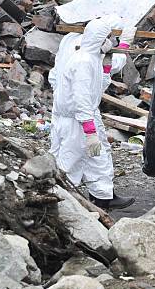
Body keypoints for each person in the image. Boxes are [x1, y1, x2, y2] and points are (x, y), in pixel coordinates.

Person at [49, 17, 136, 209]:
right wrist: (89, 132)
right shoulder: (83, 61)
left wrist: (116, 53)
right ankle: (57, 201)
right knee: (69, 161)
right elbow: (81, 99)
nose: (110, 41)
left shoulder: (93, 57)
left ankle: (103, 196)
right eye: (109, 38)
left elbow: (99, 86)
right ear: (100, 38)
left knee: (98, 154)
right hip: (77, 121)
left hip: (84, 117)